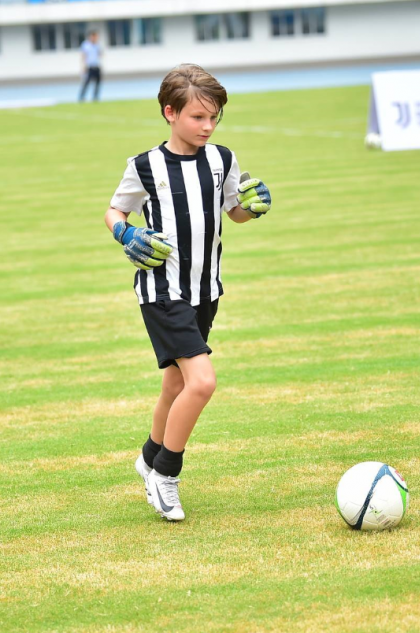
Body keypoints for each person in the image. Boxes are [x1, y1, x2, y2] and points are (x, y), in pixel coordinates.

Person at [104, 64, 272, 521]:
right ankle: (165, 475)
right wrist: (126, 234)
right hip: (162, 290)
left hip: (205, 289)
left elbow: (234, 211)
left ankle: (148, 456)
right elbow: (115, 211)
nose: (208, 126)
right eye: (198, 117)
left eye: (214, 117)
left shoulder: (222, 160)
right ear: (170, 112)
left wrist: (253, 207)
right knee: (202, 382)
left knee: (175, 384)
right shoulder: (144, 166)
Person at [79, 31, 102, 102]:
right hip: (89, 66)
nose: (95, 38)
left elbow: (100, 54)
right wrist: (84, 66)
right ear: (91, 37)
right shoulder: (86, 45)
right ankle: (82, 97)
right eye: (94, 36)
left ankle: (95, 97)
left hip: (96, 66)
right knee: (86, 83)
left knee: (98, 83)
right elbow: (83, 56)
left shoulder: (97, 45)